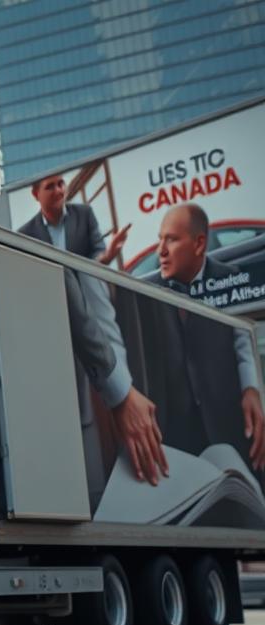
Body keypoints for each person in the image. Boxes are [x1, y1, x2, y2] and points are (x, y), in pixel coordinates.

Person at [18, 173, 167, 502]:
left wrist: (107, 254)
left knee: (89, 283)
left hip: (92, 309)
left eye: (61, 183)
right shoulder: (25, 235)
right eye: (50, 186)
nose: (59, 190)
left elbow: (94, 268)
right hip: (56, 332)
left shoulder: (83, 216)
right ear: (35, 194)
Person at [142, 203, 265, 470]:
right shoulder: (147, 294)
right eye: (160, 239)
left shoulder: (230, 279)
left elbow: (243, 341)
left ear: (199, 244)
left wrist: (251, 390)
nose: (160, 251)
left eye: (171, 239)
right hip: (178, 439)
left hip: (230, 426)